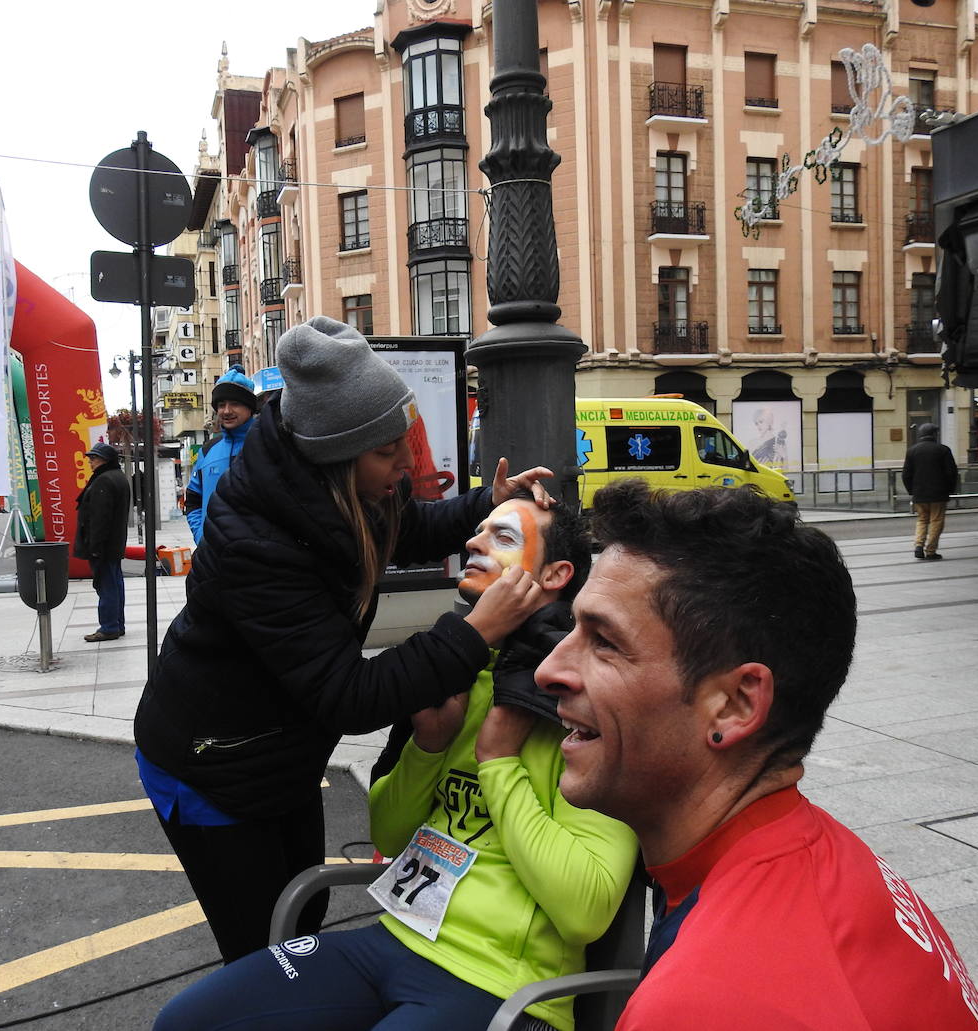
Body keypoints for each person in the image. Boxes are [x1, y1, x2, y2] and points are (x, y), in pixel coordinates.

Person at [133, 315, 553, 964]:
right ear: (337, 454)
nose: (406, 463)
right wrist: (473, 633)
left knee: (302, 912)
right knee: (262, 951)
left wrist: (482, 505)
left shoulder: (342, 482)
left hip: (282, 751)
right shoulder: (256, 536)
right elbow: (348, 693)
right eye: (388, 453)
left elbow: (404, 526)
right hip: (211, 763)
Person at [152, 494, 638, 1031]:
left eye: (502, 538)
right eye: (477, 532)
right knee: (187, 1021)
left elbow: (585, 912)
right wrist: (429, 747)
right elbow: (389, 833)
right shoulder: (456, 676)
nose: (473, 543)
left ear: (555, 575)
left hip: (502, 984)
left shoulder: (584, 705)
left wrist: (497, 763)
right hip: (395, 938)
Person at [535, 482, 978, 1031]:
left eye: (604, 641)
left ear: (733, 705)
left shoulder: (707, 1005)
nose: (548, 671)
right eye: (573, 628)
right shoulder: (817, 858)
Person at [184, 363, 257, 545]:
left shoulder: (267, 444)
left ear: (250, 407)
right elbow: (193, 500)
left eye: (235, 403)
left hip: (260, 561)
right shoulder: (207, 450)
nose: (226, 411)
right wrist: (201, 537)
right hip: (214, 559)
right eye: (221, 404)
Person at [74, 441, 131, 643]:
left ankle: (108, 627)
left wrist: (95, 547)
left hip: (103, 546)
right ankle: (117, 624)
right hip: (114, 544)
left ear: (105, 460)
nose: (90, 462)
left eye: (94, 458)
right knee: (114, 584)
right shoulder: (117, 478)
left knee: (106, 585)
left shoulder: (104, 481)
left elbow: (100, 518)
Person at [903, 422, 959, 560]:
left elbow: (906, 474)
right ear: (935, 434)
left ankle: (918, 545)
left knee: (922, 520)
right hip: (938, 493)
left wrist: (912, 490)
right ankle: (931, 550)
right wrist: (950, 489)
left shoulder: (912, 451)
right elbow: (951, 472)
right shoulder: (943, 450)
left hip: (919, 493)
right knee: (936, 520)